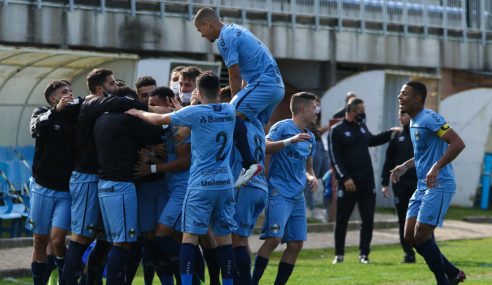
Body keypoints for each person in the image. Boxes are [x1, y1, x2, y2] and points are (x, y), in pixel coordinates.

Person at [126, 71, 237, 285]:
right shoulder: (230, 110)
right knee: (224, 241)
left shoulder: (194, 113)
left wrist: (138, 112)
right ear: (220, 91)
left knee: (189, 239)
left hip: (200, 185)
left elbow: (158, 119)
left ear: (199, 92)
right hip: (225, 183)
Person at [63, 69, 165, 285]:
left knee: (105, 239)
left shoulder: (104, 112)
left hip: (101, 179)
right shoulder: (93, 105)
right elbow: (121, 104)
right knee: (84, 239)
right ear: (100, 89)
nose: (115, 87)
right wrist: (153, 110)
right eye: (111, 84)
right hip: (88, 178)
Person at [194, 7, 284, 188]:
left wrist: (232, 106)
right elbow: (244, 75)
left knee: (229, 116)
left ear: (207, 23)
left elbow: (234, 75)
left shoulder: (225, 38)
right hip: (275, 86)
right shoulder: (237, 29)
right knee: (252, 125)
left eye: (200, 30)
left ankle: (249, 164)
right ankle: (254, 177)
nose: (202, 35)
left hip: (263, 84)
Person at [391, 81, 466, 285]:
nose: (400, 97)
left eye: (404, 94)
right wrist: (404, 166)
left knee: (422, 233)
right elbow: (423, 155)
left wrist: (437, 167)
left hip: (439, 183)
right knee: (409, 235)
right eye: (400, 93)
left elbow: (457, 143)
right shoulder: (414, 122)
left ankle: (443, 281)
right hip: (423, 185)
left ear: (417, 98)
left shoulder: (430, 118)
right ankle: (452, 273)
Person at [93, 87, 168, 284]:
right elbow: (160, 127)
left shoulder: (101, 118)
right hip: (121, 186)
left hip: (104, 185)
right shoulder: (127, 120)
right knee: (123, 243)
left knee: (114, 242)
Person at [252, 92, 318, 285]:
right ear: (303, 108)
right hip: (279, 192)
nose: (317, 112)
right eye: (314, 107)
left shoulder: (310, 137)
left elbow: (308, 167)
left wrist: (311, 177)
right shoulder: (281, 127)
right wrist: (290, 140)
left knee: (296, 244)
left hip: (298, 196)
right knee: (273, 240)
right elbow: (264, 146)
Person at [28, 80, 84, 285]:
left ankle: (64, 279)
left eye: (71, 90)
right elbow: (36, 128)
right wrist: (56, 110)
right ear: (53, 98)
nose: (70, 94)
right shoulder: (42, 113)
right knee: (40, 241)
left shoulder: (78, 115)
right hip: (42, 188)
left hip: (66, 191)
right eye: (64, 92)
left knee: (58, 240)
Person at [328, 97, 394, 264]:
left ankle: (364, 255)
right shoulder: (337, 130)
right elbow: (334, 157)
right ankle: (339, 255)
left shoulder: (362, 127)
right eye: (361, 112)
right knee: (342, 221)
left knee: (368, 220)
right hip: (348, 183)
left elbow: (371, 141)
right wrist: (345, 177)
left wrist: (390, 132)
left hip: (367, 182)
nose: (363, 115)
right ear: (351, 111)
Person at [381, 111, 419, 264]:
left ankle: (429, 251)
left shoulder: (419, 135)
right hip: (400, 185)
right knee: (403, 219)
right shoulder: (396, 137)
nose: (399, 118)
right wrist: (385, 184)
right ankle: (409, 254)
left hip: (418, 183)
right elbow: (388, 162)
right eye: (398, 115)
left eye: (403, 115)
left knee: (422, 220)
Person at [304, 99, 330, 221]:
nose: (317, 109)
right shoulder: (307, 119)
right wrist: (321, 131)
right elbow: (308, 134)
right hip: (315, 149)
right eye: (316, 106)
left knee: (327, 180)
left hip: (323, 149)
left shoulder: (316, 120)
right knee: (311, 180)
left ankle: (326, 209)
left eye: (319, 106)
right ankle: (311, 209)